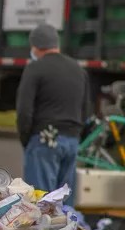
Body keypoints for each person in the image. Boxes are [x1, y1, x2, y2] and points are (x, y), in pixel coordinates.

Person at [16, 23, 91, 194]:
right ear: (56, 44)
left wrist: (26, 139)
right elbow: (86, 110)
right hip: (71, 141)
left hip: (44, 140)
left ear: (35, 46)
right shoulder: (79, 70)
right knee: (64, 202)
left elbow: (24, 111)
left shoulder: (34, 69)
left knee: (41, 201)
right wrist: (77, 136)